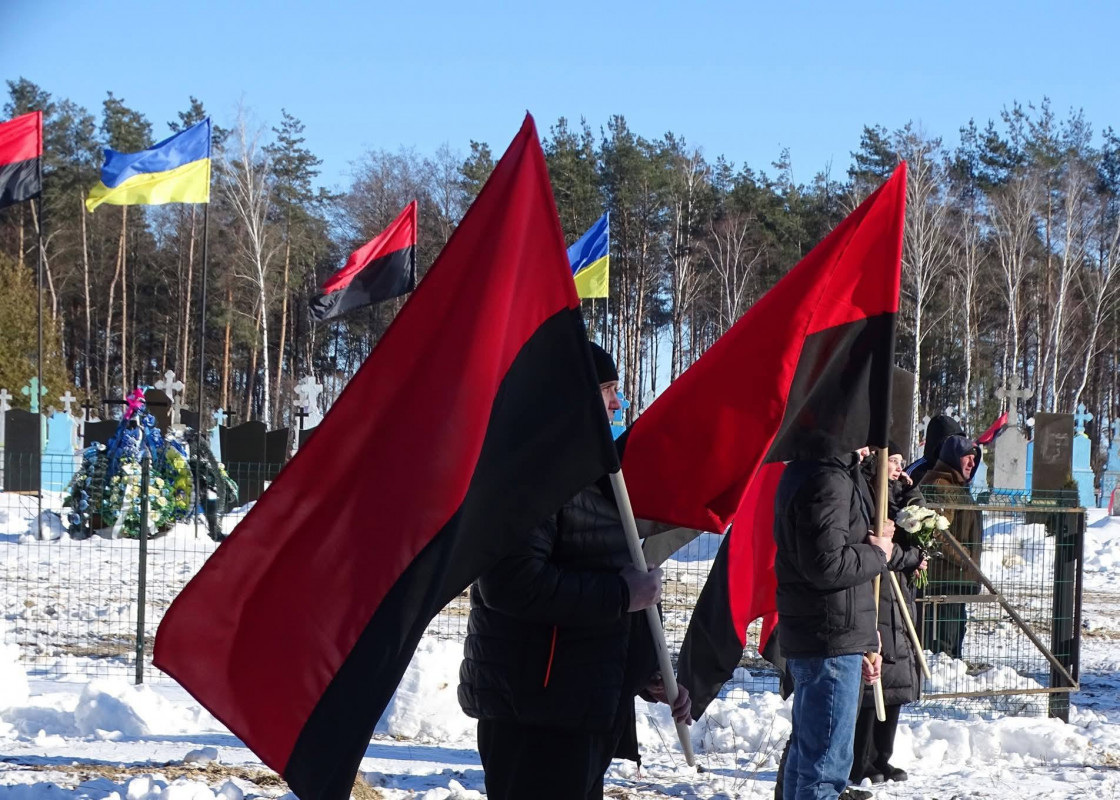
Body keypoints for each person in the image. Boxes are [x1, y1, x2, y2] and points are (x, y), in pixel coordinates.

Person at [457, 342, 692, 800]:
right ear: (571, 398)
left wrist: (647, 671)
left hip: (582, 707)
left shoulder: (599, 477)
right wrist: (623, 596)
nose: (619, 404)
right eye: (607, 390)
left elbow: (606, 575)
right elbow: (512, 583)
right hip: (536, 713)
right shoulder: (528, 476)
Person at [773, 447, 896, 800]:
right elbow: (826, 564)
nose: (871, 446)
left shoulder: (823, 470)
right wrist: (879, 553)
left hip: (834, 634)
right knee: (823, 770)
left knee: (808, 762)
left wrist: (864, 639)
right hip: (829, 639)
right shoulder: (826, 475)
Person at [850, 441, 926, 786]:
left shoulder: (901, 496)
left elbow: (914, 542)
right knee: (871, 683)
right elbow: (881, 548)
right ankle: (860, 759)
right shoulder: (864, 492)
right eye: (893, 461)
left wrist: (913, 499)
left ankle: (882, 756)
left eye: (902, 463)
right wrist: (903, 555)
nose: (899, 469)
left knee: (894, 679)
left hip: (898, 599)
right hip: (873, 593)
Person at [917, 434, 983, 659]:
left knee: (955, 635)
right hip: (943, 581)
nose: (972, 463)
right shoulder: (940, 486)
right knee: (943, 642)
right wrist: (963, 557)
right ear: (954, 458)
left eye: (974, 459)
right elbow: (934, 531)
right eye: (968, 457)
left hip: (955, 579)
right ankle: (939, 685)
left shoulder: (954, 486)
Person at [906, 414, 964, 486]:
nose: (953, 445)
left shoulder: (960, 470)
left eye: (958, 441)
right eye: (950, 441)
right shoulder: (915, 471)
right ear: (937, 442)